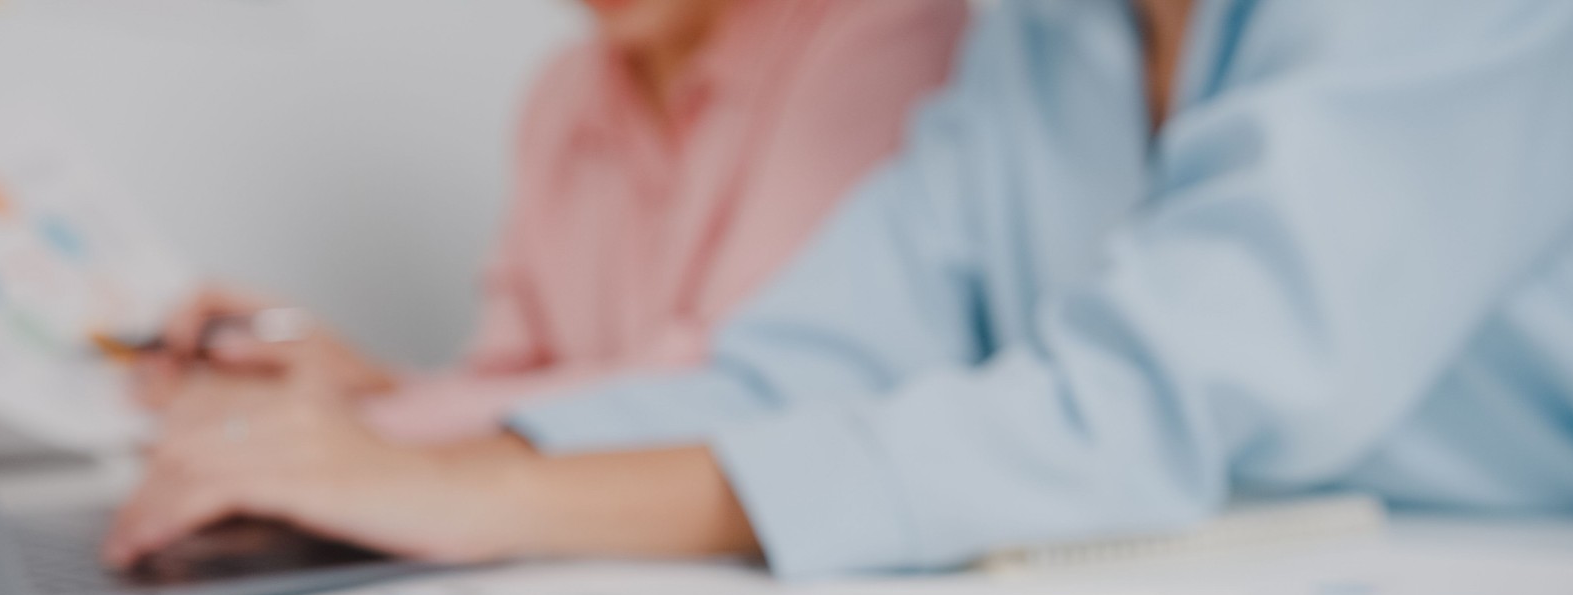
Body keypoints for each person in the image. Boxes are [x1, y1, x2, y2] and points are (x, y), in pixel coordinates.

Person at [104, 0, 1573, 579]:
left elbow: (1130, 412)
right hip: (1238, 585)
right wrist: (378, 467)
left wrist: (485, 497)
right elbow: (805, 361)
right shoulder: (1039, 33)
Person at [139, 0, 964, 445]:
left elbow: (751, 385)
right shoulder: (563, 90)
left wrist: (376, 426)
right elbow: (512, 381)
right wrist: (356, 386)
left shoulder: (880, 26)